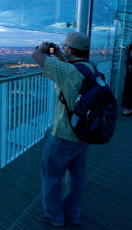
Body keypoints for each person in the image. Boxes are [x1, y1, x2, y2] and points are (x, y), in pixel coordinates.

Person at [31, 31, 92, 227]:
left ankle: (54, 216)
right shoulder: (90, 68)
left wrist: (42, 48)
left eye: (66, 47)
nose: (63, 49)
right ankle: (73, 214)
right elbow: (68, 68)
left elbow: (36, 57)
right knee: (77, 176)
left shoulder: (67, 72)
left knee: (51, 176)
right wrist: (58, 54)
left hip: (64, 134)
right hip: (84, 134)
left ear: (71, 49)